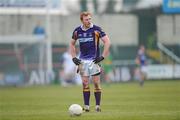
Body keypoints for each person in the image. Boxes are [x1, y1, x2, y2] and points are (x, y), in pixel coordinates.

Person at [69, 11, 110, 112]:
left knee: (96, 83)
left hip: (94, 60)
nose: (88, 21)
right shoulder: (77, 31)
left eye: (89, 19)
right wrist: (74, 57)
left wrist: (103, 56)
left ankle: (97, 106)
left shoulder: (96, 29)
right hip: (82, 60)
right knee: (85, 83)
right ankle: (86, 106)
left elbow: (107, 41)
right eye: (86, 19)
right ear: (82, 20)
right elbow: (72, 44)